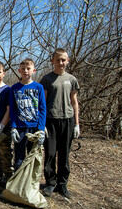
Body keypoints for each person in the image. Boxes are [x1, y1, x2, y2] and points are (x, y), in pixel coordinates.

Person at [40, 48, 80, 199]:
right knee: (50, 153)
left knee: (64, 154)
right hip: (50, 120)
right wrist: (41, 124)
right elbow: (42, 103)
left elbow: (74, 102)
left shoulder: (72, 79)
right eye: (57, 60)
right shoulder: (47, 79)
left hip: (67, 120)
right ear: (52, 61)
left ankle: (62, 184)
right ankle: (50, 183)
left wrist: (76, 124)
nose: (60, 63)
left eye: (63, 60)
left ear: (67, 61)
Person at [9, 58, 46, 170]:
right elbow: (12, 109)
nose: (26, 71)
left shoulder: (39, 87)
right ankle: (17, 185)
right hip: (20, 128)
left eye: (28, 68)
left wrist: (41, 129)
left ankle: (29, 185)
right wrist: (13, 127)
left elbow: (43, 108)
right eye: (23, 69)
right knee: (19, 159)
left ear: (33, 70)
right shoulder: (14, 88)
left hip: (34, 128)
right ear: (19, 71)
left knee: (32, 158)